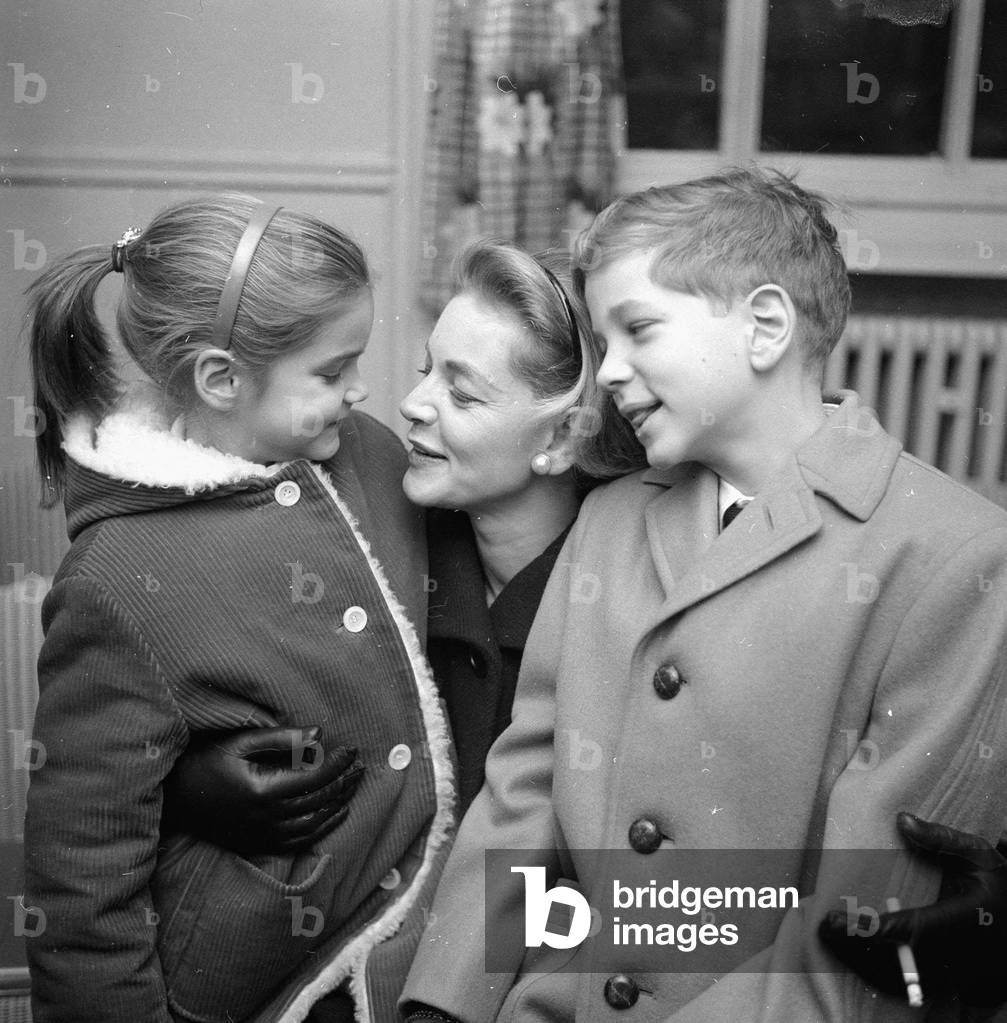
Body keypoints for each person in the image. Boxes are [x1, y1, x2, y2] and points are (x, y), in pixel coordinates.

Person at [169, 236, 1007, 1014]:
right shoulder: (374, 537)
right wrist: (187, 772)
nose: (408, 404)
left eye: (460, 390)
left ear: (561, 436)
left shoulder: (652, 576)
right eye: (426, 370)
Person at [397, 167, 1007, 1021]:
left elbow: (856, 932)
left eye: (636, 329)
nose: (606, 374)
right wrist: (449, 1000)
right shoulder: (611, 518)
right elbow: (526, 796)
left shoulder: (953, 556)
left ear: (763, 326)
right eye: (602, 343)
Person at [21, 194, 454, 1023]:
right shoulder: (117, 574)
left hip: (404, 950)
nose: (364, 391)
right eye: (332, 372)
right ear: (221, 378)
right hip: (249, 986)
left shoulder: (367, 457)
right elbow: (83, 869)